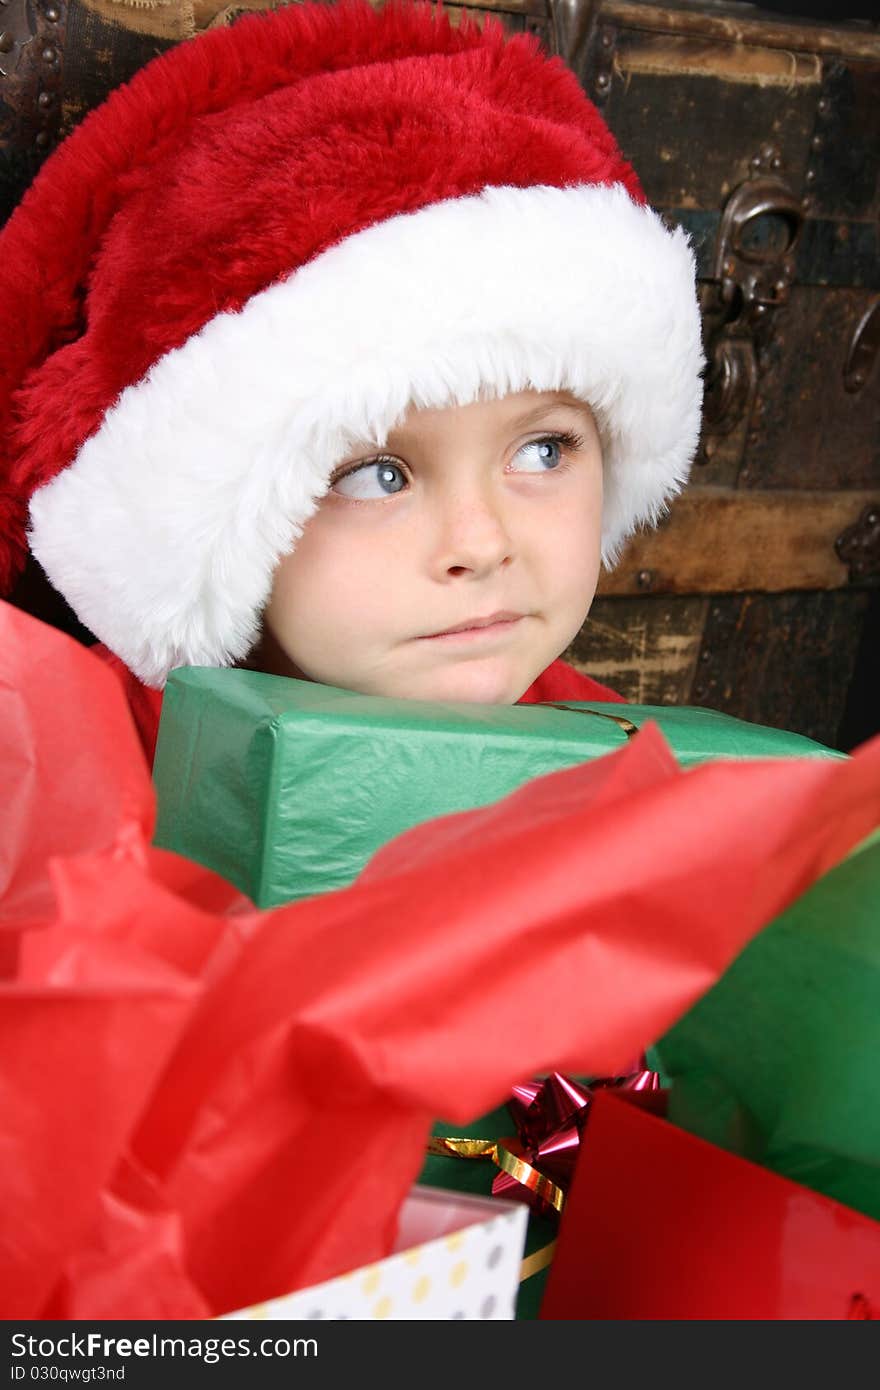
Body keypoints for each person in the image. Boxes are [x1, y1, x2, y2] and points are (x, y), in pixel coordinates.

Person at [0, 0, 703, 764]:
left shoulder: (629, 774)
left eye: (543, 451)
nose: (481, 544)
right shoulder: (73, 778)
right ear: (213, 517)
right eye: (376, 473)